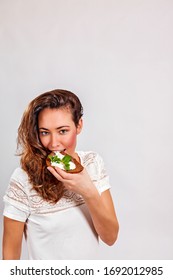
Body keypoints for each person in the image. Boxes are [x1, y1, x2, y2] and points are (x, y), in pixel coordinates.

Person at [2, 89, 119, 260]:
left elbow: (110, 237)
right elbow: (10, 256)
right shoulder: (23, 179)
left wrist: (87, 191)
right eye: (45, 132)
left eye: (63, 131)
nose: (54, 143)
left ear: (79, 125)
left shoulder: (93, 164)